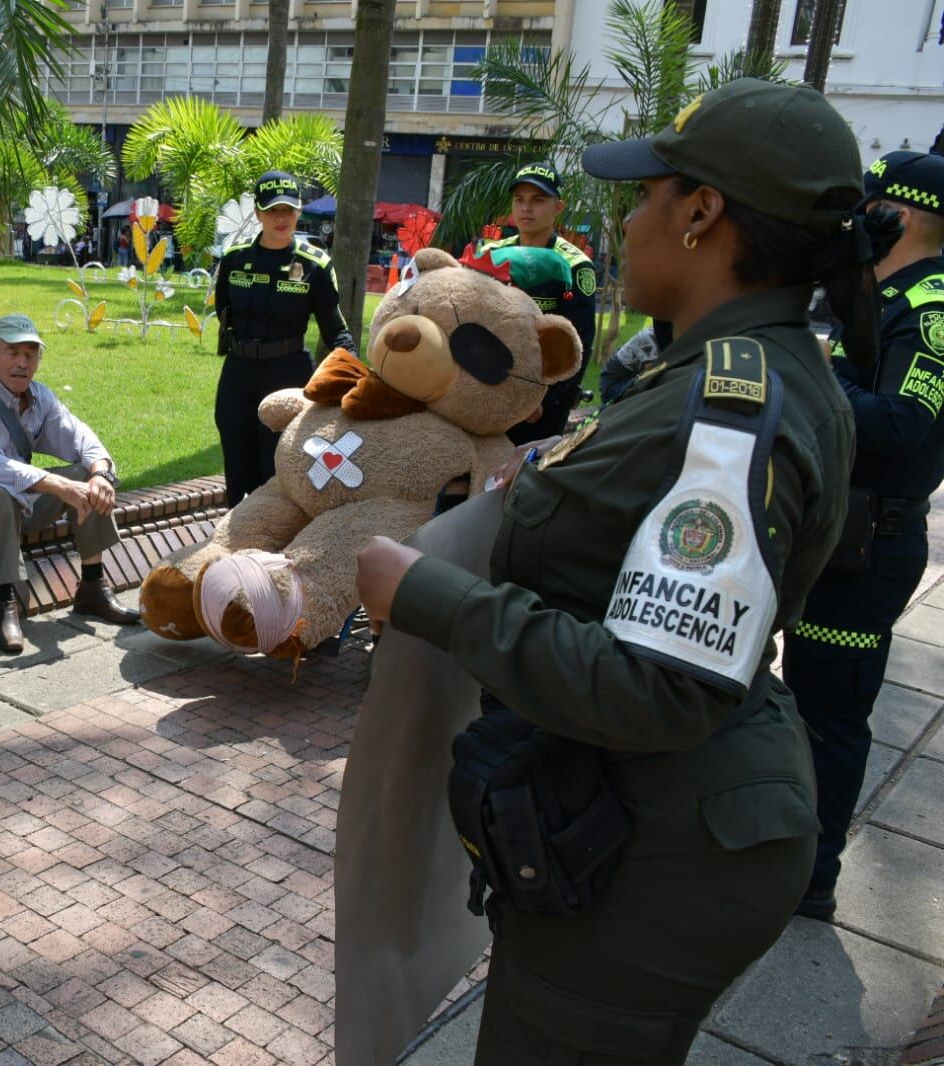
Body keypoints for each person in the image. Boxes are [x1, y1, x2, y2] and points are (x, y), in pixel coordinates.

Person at [357, 78, 880, 1064]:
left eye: (646, 197)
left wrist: (425, 591)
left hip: (659, 845)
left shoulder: (731, 409)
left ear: (702, 214)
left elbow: (661, 686)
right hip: (646, 813)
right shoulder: (730, 369)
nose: (628, 220)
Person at [785, 149, 944, 922]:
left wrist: (819, 369)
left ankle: (812, 876)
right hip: (827, 528)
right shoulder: (876, 289)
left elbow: (906, 428)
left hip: (867, 548)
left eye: (869, 205)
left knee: (829, 712)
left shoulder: (932, 306)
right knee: (797, 699)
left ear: (900, 213)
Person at [0, 313, 140, 654]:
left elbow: (81, 439)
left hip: (18, 501)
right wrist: (56, 485)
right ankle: (4, 603)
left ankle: (92, 585)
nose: (22, 363)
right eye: (12, 352)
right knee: (0, 496)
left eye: (30, 354)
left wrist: (101, 474)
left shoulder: (40, 398)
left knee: (86, 477)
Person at [214, 169, 355, 507]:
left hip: (287, 378)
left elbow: (336, 330)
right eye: (273, 210)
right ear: (258, 212)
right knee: (237, 476)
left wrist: (354, 378)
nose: (281, 218)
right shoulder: (235, 260)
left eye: (288, 210)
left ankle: (273, 555)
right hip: (237, 379)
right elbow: (224, 311)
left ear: (299, 210)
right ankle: (235, 552)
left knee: (277, 477)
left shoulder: (315, 265)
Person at [478, 163, 599, 442]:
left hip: (540, 402)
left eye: (538, 200)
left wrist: (549, 401)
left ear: (558, 207)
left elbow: (578, 343)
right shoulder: (490, 254)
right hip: (487, 386)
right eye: (519, 200)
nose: (526, 208)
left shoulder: (575, 265)